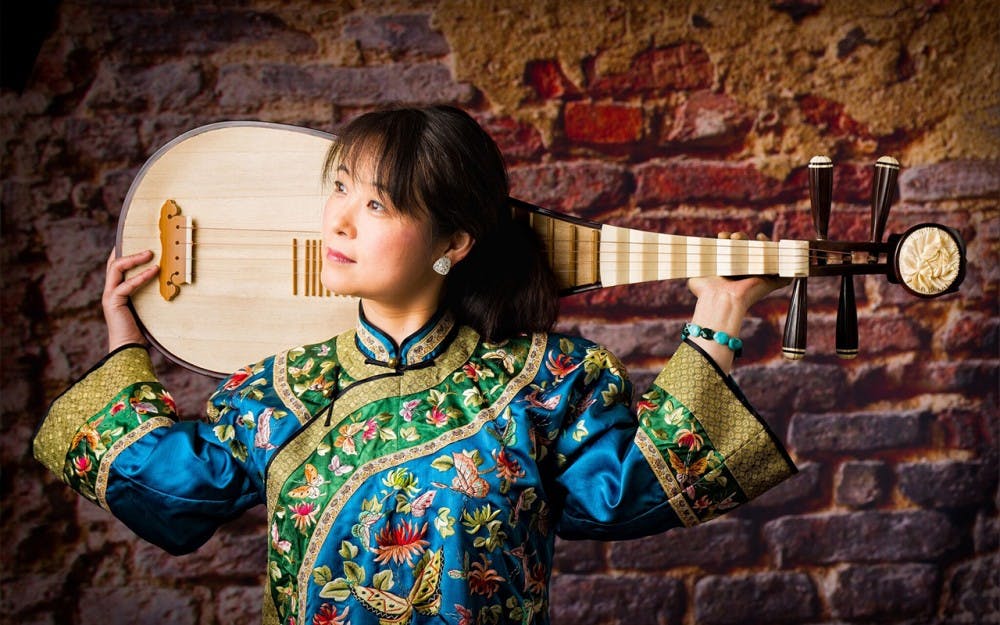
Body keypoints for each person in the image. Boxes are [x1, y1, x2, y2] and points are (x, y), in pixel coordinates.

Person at [34, 106, 796, 625]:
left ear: (452, 241)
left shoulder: (546, 382)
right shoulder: (281, 387)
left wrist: (719, 319)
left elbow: (631, 493)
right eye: (338, 188)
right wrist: (123, 337)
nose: (337, 219)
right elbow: (170, 488)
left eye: (376, 204)